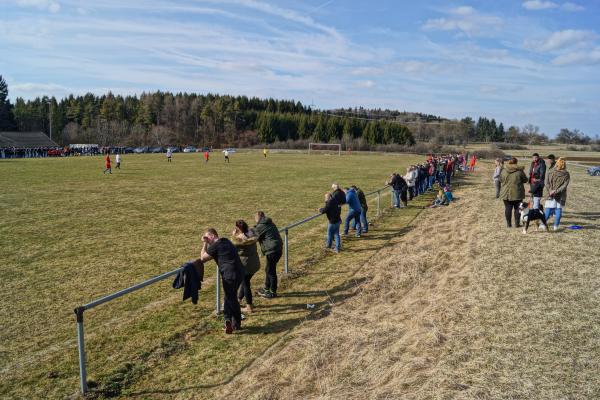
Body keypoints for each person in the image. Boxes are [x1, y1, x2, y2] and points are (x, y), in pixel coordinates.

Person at [197, 228, 245, 334]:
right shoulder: (226, 240)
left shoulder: (215, 245)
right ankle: (229, 321)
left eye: (207, 237)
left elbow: (202, 258)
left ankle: (234, 323)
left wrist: (204, 243)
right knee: (229, 297)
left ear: (213, 236)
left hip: (229, 275)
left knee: (231, 299)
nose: (207, 239)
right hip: (240, 272)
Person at [231, 220, 260, 313]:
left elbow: (232, 245)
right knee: (245, 282)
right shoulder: (252, 234)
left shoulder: (239, 239)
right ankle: (238, 300)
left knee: (246, 284)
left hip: (245, 265)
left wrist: (233, 235)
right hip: (255, 263)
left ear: (238, 228)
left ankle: (249, 307)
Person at [254, 211, 283, 299]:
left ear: (258, 217)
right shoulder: (269, 222)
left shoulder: (261, 225)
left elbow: (254, 235)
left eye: (255, 218)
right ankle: (266, 288)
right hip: (277, 248)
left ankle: (273, 292)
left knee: (271, 271)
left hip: (272, 250)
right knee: (268, 269)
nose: (255, 220)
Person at [500, 157, 528, 228]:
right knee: (517, 209)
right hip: (517, 193)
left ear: (509, 162)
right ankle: (517, 224)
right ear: (516, 163)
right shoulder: (520, 171)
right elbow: (525, 180)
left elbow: (500, 179)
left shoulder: (504, 170)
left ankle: (509, 224)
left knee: (508, 208)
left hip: (506, 192)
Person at [544, 158, 570, 231]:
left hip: (551, 194)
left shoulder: (550, 171)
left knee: (548, 210)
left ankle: (543, 224)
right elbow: (564, 186)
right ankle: (556, 226)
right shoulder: (567, 174)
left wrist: (551, 190)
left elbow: (546, 183)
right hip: (560, 195)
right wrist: (555, 191)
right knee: (558, 210)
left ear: (557, 164)